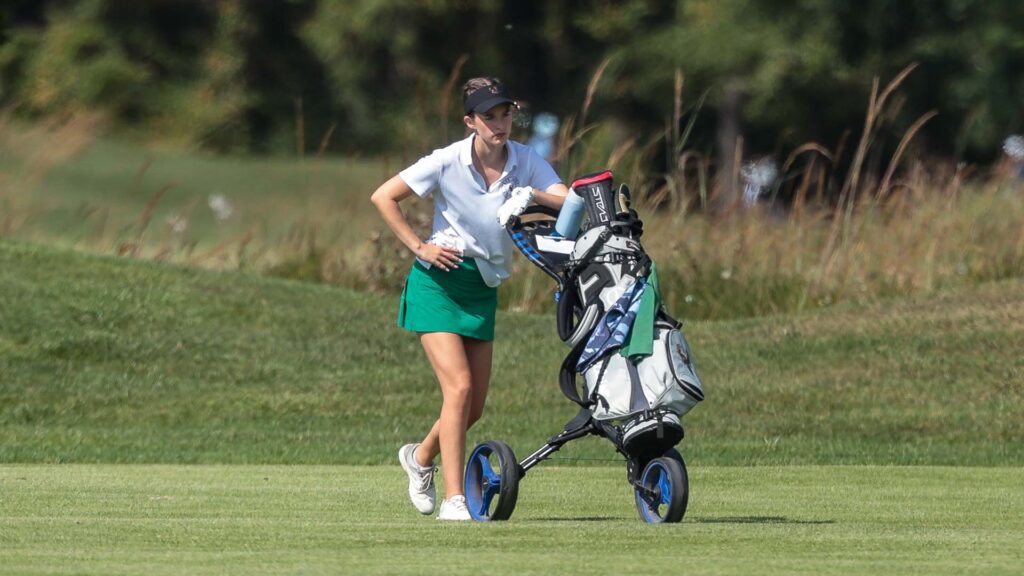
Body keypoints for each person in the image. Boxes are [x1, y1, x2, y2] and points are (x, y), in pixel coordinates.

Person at [370, 77, 569, 521]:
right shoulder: (445, 161)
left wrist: (533, 196)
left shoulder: (525, 160)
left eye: (506, 114)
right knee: (458, 389)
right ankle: (455, 500)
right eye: (490, 116)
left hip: (483, 287)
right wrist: (420, 247)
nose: (500, 124)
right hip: (437, 283)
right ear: (470, 122)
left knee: (472, 405)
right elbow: (384, 196)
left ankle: (420, 458)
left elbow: (567, 201)